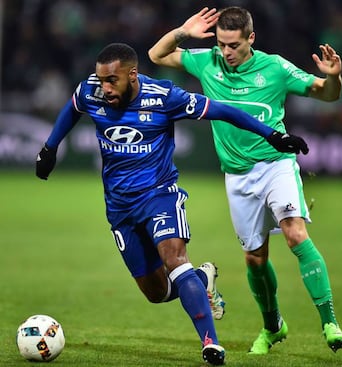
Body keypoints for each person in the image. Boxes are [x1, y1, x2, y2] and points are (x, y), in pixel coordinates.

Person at [35, 42, 308, 365]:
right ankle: (202, 279)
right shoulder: (91, 90)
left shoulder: (164, 97)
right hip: (119, 207)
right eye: (101, 79)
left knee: (175, 259)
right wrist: (50, 148)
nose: (105, 88)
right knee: (156, 292)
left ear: (132, 75)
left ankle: (210, 344)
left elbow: (222, 109)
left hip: (159, 195)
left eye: (112, 81)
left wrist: (271, 135)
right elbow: (72, 107)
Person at [148, 6, 342, 355]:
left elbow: (328, 94)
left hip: (276, 164)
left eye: (234, 45)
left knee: (294, 232)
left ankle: (329, 321)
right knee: (255, 258)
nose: (226, 52)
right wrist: (183, 31)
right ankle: (273, 327)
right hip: (237, 176)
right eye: (222, 44)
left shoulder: (274, 67)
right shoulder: (207, 61)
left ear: (251, 39)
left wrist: (333, 77)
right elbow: (156, 54)